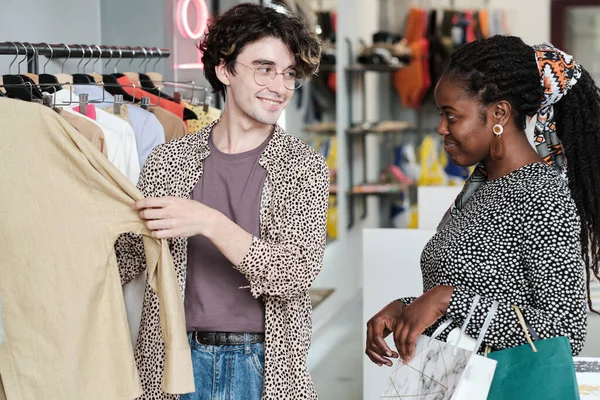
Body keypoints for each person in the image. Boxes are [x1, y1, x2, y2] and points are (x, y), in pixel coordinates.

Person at [116, 3, 328, 400]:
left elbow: (296, 273)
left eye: (289, 74)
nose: (280, 86)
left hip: (263, 364)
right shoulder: (167, 161)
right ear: (225, 70)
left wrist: (209, 222)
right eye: (264, 69)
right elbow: (126, 259)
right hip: (173, 363)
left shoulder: (303, 167)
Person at [366, 35, 600, 367]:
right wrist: (406, 307)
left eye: (452, 116)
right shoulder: (481, 187)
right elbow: (479, 292)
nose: (441, 128)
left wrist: (447, 301)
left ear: (499, 113)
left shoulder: (541, 195)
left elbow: (565, 332)